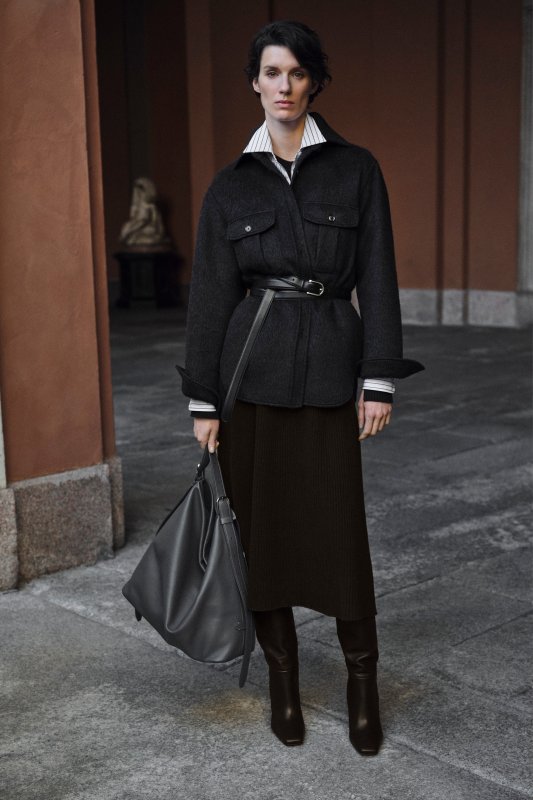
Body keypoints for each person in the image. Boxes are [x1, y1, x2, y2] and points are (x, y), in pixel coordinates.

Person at [177, 20, 424, 754]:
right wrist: (203, 401)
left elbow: (377, 275)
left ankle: (360, 684)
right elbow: (210, 298)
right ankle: (282, 684)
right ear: (253, 84)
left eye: (295, 73)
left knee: (339, 538)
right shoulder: (229, 186)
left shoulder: (355, 169)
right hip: (248, 380)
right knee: (263, 544)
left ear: (313, 81)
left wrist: (377, 379)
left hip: (328, 377)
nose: (282, 86)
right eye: (270, 73)